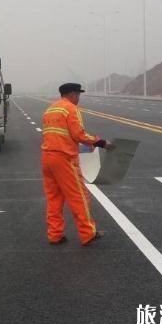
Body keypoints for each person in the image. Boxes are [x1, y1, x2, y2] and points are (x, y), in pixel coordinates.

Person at [41, 83, 115, 246]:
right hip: (64, 159)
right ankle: (88, 233)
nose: (79, 98)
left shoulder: (50, 109)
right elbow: (78, 134)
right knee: (79, 197)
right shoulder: (70, 109)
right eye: (78, 94)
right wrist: (101, 142)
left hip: (47, 158)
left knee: (54, 198)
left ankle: (55, 235)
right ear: (73, 94)